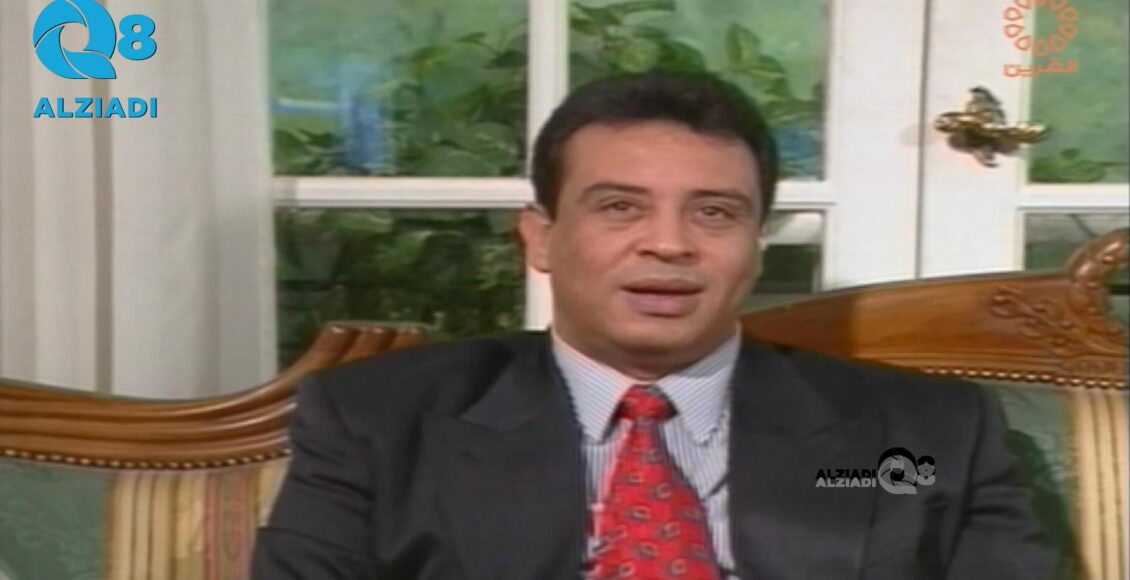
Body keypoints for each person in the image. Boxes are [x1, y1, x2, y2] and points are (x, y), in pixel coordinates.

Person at [251, 71, 1058, 579]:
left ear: (755, 246)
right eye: (619, 207)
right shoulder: (377, 423)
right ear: (540, 238)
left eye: (715, 212)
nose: (669, 244)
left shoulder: (920, 435)